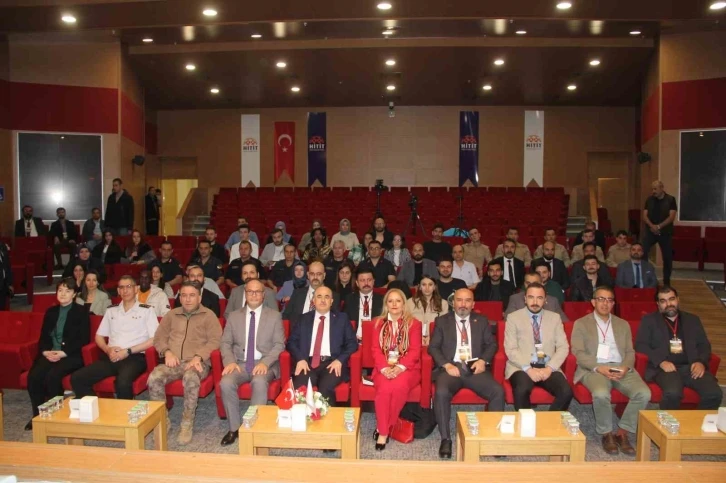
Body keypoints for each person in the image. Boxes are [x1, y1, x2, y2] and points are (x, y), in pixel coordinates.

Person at [571, 286, 650, 455]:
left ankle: (622, 433)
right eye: (601, 299)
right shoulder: (581, 323)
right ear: (593, 302)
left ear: (613, 304)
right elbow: (578, 352)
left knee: (644, 393)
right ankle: (607, 434)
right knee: (601, 393)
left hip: (620, 366)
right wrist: (599, 367)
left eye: (609, 300)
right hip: (594, 368)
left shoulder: (623, 324)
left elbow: (630, 352)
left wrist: (625, 367)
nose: (605, 303)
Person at [428, 288, 504, 459]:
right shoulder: (442, 321)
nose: (463, 304)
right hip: (452, 368)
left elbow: (492, 345)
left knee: (498, 391)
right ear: (453, 303)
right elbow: (433, 347)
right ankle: (446, 439)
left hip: (474, 367)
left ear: (473, 304)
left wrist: (483, 361)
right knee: (441, 392)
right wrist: (446, 364)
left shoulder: (481, 320)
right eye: (459, 300)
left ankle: (494, 438)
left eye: (467, 300)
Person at [148, 280, 222, 445]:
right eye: (184, 295)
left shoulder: (208, 315)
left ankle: (187, 422)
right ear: (180, 297)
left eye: (192, 295)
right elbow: (158, 338)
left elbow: (216, 340)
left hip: (198, 363)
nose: (188, 299)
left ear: (199, 297)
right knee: (154, 376)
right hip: (173, 361)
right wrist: (167, 352)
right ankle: (162, 421)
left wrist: (198, 356)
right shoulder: (171, 315)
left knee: (190, 377)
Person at [219, 279, 285, 446]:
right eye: (250, 291)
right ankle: (234, 428)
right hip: (239, 363)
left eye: (257, 292)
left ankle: (255, 427)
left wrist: (265, 363)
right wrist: (229, 361)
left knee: (259, 381)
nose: (254, 295)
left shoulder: (274, 316)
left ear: (263, 295)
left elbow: (279, 344)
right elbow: (225, 343)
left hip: (264, 363)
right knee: (226, 383)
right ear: (245, 294)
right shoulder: (234, 316)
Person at [71, 275, 158, 402]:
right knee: (77, 378)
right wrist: (107, 349)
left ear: (136, 289)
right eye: (121, 287)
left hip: (134, 357)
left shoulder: (147, 310)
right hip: (111, 356)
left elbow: (154, 339)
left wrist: (127, 351)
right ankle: (96, 408)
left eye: (129, 287)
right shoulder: (111, 310)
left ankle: (124, 413)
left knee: (122, 382)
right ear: (118, 291)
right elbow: (99, 336)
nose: (125, 290)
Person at [635, 286, 721, 410]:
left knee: (714, 393)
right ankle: (668, 422)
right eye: (663, 301)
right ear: (658, 304)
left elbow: (704, 345)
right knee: (673, 393)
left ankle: (698, 421)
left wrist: (700, 362)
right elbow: (640, 345)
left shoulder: (692, 320)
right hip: (664, 369)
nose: (669, 304)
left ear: (678, 299)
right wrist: (661, 362)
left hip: (691, 366)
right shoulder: (649, 320)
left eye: (671, 299)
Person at [25, 278, 90, 430]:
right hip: (50, 353)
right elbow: (43, 337)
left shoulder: (81, 312)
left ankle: (56, 415)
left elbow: (83, 339)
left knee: (53, 376)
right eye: (60, 290)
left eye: (68, 291)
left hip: (71, 355)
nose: (63, 294)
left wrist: (63, 353)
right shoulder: (51, 312)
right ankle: (38, 416)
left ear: (74, 294)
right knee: (34, 376)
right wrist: (45, 352)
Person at [504, 282, 572, 412]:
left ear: (545, 300)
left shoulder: (555, 318)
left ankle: (549, 421)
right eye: (531, 297)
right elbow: (511, 349)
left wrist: (549, 368)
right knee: (522, 389)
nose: (535, 302)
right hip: (521, 366)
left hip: (548, 365)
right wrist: (529, 369)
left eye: (539, 298)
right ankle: (526, 421)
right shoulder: (513, 318)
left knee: (566, 391)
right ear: (525, 299)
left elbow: (563, 347)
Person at [287, 286, 357, 407]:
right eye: (319, 297)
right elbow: (291, 342)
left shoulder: (342, 318)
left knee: (326, 388)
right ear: (313, 301)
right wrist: (300, 359)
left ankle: (327, 419)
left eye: (327, 297)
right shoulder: (303, 319)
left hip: (331, 363)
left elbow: (352, 343)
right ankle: (303, 417)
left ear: (332, 301)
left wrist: (340, 360)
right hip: (307, 363)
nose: (323, 300)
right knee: (301, 386)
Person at [370, 288, 422, 451]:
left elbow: (415, 351)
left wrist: (399, 368)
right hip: (383, 367)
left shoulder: (414, 324)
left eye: (398, 301)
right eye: (390, 301)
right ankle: (385, 430)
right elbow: (375, 350)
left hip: (408, 369)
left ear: (403, 304)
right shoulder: (377, 323)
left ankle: (383, 429)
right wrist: (384, 368)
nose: (394, 304)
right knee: (384, 390)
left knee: (399, 387)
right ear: (386, 304)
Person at [282, 261, 340, 327]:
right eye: (312, 274)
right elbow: (285, 315)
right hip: (299, 331)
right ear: (308, 275)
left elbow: (335, 321)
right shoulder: (297, 293)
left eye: (319, 274)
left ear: (324, 275)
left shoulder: (333, 296)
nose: (315, 277)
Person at [642, 181, 677, 285]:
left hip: (665, 232)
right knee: (642, 251)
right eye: (652, 189)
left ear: (661, 188)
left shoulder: (671, 199)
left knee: (667, 257)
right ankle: (646, 278)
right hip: (650, 231)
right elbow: (644, 215)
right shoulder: (649, 199)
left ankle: (666, 282)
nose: (653, 191)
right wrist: (652, 226)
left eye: (655, 189)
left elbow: (671, 217)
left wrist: (659, 226)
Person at [406, 276, 448, 345]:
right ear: (420, 287)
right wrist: (418, 337)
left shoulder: (443, 303)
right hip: (413, 339)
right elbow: (406, 324)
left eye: (430, 285)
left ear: (434, 287)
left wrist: (431, 337)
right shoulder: (410, 302)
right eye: (424, 285)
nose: (427, 288)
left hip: (435, 340)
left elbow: (444, 327)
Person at [345, 268, 383, 338]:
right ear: (357, 283)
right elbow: (345, 323)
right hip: (354, 339)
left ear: (373, 281)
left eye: (369, 280)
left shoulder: (382, 300)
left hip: (376, 338)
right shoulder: (349, 299)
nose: (366, 283)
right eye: (362, 280)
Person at [0, 241, 12, 311]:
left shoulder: (2, 246)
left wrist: (10, 284)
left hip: (3, 285)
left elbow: (8, 267)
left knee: (2, 309)